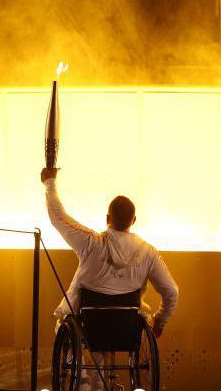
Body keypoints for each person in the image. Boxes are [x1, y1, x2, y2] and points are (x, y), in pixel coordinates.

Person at [40, 167, 179, 391]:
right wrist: (159, 322)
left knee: (64, 325)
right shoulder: (148, 253)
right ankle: (98, 385)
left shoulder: (91, 243)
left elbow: (58, 217)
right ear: (134, 220)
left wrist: (49, 183)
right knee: (105, 338)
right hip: (126, 328)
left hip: (89, 323)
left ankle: (83, 378)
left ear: (107, 219)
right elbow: (172, 292)